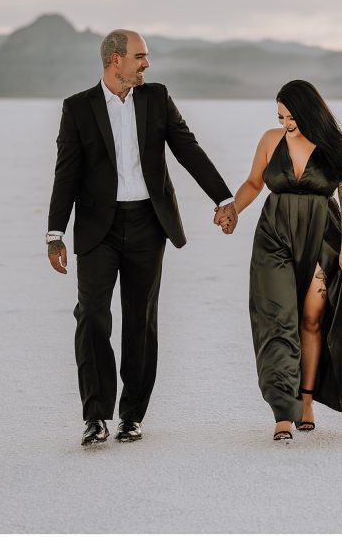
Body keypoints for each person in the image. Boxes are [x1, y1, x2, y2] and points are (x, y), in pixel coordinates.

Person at [47, 30, 237, 446]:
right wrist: (55, 233)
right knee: (92, 315)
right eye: (140, 56)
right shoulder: (78, 108)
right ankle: (96, 416)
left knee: (140, 321)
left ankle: (131, 416)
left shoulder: (156, 99)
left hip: (149, 225)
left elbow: (188, 149)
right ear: (115, 59)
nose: (146, 64)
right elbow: (67, 173)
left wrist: (224, 198)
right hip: (99, 229)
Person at [225, 79, 342, 441]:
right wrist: (233, 208)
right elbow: (252, 183)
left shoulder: (334, 145)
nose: (285, 124)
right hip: (274, 237)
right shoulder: (270, 141)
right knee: (278, 321)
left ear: (309, 112)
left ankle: (306, 401)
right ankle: (283, 410)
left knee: (311, 321)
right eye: (280, 116)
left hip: (321, 238)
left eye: (291, 116)